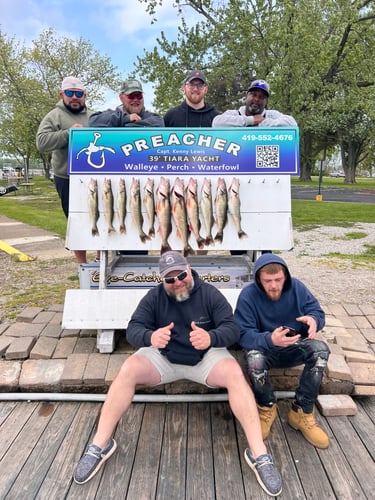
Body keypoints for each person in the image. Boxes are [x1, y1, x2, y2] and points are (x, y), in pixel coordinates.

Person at [74, 251, 282, 497]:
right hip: (164, 358)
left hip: (205, 358)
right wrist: (150, 337)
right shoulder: (154, 297)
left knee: (235, 374)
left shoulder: (209, 294)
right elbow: (133, 329)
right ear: (161, 280)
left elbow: (232, 329)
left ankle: (259, 454)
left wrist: (210, 337)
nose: (177, 282)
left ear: (189, 268)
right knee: (128, 368)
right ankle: (100, 444)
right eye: (169, 279)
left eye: (181, 275)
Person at [234, 254, 330, 449]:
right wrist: (270, 339)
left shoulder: (298, 288)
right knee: (253, 358)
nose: (274, 285)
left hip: (295, 345)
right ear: (258, 279)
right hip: (265, 349)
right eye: (268, 281)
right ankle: (266, 407)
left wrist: (314, 320)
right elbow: (241, 334)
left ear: (285, 276)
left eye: (278, 279)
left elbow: (317, 312)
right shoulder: (248, 295)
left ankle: (302, 411)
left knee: (321, 350)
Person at [36, 76, 92, 264]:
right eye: (70, 93)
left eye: (79, 94)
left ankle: (101, 259)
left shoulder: (93, 117)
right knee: (75, 222)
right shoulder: (54, 116)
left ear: (84, 95)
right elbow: (41, 142)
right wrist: (69, 134)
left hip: (93, 178)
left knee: (99, 216)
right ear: (62, 94)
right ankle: (82, 264)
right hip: (66, 178)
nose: (74, 97)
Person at [212, 78, 297, 127]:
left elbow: (292, 124)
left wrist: (263, 123)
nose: (256, 99)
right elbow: (216, 122)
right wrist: (251, 120)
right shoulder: (234, 113)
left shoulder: (271, 115)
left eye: (261, 97)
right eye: (253, 95)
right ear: (246, 96)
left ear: (266, 101)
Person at [89, 79, 164, 128]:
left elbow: (159, 125)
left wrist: (119, 125)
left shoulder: (154, 118)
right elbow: (93, 122)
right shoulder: (111, 115)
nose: (135, 99)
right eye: (131, 96)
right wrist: (126, 118)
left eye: (139, 95)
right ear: (121, 97)